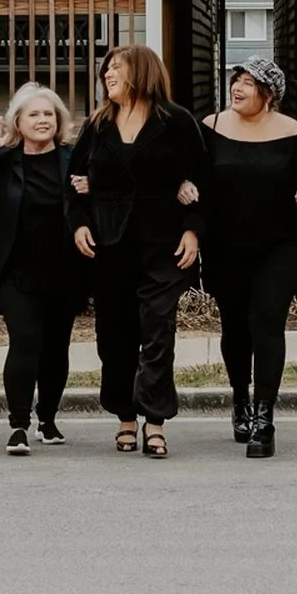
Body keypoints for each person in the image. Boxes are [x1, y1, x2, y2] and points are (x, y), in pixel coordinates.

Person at [69, 43, 209, 460]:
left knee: (157, 329)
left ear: (141, 73)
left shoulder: (176, 121)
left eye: (117, 68)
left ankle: (155, 421)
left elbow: (202, 182)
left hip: (163, 243)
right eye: (106, 70)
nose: (108, 75)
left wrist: (193, 231)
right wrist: (78, 222)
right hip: (109, 245)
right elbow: (74, 177)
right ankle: (125, 417)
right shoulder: (98, 123)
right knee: (115, 336)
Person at [197, 57, 297, 458]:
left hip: (281, 245)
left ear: (268, 94)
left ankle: (265, 418)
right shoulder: (211, 127)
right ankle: (240, 400)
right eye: (237, 80)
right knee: (235, 327)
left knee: (267, 322)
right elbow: (191, 171)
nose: (238, 87)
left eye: (249, 83)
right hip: (225, 245)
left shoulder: (296, 133)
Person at [0, 83, 83, 456]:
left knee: (56, 347)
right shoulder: (4, 161)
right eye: (34, 114)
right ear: (17, 121)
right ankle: (18, 425)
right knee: (26, 342)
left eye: (48, 114)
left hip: (64, 269)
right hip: (15, 271)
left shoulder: (72, 160)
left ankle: (48, 418)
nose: (42, 120)